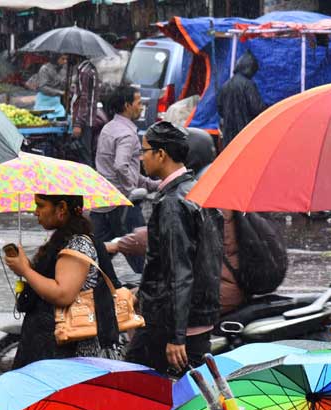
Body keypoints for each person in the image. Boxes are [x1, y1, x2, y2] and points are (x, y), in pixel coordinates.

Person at [125, 121, 223, 375]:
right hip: (196, 319)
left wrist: (177, 336)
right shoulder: (196, 190)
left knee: (138, 389)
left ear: (161, 154)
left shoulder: (172, 204)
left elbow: (180, 272)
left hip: (172, 326)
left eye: (144, 151)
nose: (141, 158)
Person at [4, 194, 121, 368]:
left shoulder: (78, 245)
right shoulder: (64, 239)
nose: (36, 212)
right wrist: (27, 268)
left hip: (67, 349)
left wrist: (26, 271)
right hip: (51, 344)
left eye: (41, 206)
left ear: (62, 208)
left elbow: (62, 294)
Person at [93, 85, 159, 273]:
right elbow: (121, 166)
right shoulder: (127, 134)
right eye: (138, 103)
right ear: (127, 105)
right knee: (142, 256)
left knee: (99, 259)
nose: (141, 107)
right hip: (122, 204)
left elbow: (124, 169)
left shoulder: (109, 128)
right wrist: (131, 191)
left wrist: (151, 185)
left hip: (102, 202)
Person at [216, 51, 266, 148]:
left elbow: (220, 109)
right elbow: (256, 108)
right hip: (245, 132)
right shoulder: (248, 85)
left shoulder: (226, 85)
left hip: (228, 134)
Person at [69, 55, 100, 165]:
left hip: (84, 121)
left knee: (84, 157)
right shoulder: (89, 69)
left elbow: (84, 99)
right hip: (87, 120)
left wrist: (78, 124)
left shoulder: (85, 71)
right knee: (85, 154)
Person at [30, 54, 67, 120]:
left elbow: (62, 84)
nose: (65, 61)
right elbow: (43, 87)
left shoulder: (63, 70)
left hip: (56, 104)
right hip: (44, 103)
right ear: (56, 58)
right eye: (62, 59)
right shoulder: (45, 69)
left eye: (66, 59)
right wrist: (60, 92)